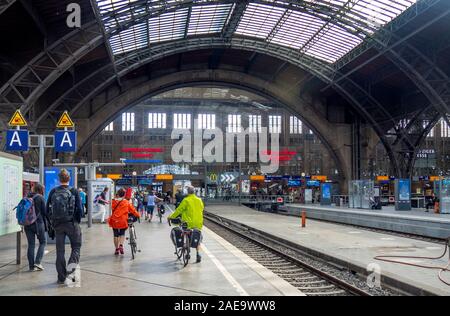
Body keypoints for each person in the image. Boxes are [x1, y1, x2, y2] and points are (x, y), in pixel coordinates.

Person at [46, 169, 83, 285]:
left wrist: (53, 222)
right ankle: (70, 272)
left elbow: (47, 210)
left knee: (60, 251)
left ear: (59, 179)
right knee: (76, 248)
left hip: (58, 225)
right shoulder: (74, 191)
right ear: (69, 179)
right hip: (72, 224)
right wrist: (76, 221)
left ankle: (61, 277)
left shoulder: (53, 191)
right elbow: (80, 210)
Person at [168, 186, 204, 263]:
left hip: (187, 223)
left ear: (187, 192)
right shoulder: (199, 200)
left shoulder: (186, 200)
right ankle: (198, 254)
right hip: (198, 223)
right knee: (197, 238)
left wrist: (170, 217)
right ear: (194, 192)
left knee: (186, 234)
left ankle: (188, 252)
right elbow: (201, 209)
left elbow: (178, 210)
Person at [108, 189, 140, 255]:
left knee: (115, 234)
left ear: (118, 194)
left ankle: (116, 249)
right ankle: (121, 246)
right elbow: (132, 210)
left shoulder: (113, 201)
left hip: (114, 220)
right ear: (124, 195)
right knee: (122, 233)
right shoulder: (126, 202)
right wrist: (138, 215)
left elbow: (110, 208)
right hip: (123, 220)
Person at [24, 183, 47, 271]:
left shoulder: (26, 197)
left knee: (31, 244)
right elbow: (45, 213)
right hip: (38, 224)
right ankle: (37, 262)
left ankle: (31, 266)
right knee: (43, 242)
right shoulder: (40, 198)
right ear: (41, 190)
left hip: (27, 224)